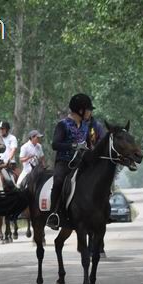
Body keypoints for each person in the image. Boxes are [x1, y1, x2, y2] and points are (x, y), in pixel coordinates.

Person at [46, 93, 105, 230]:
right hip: (64, 162)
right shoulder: (63, 125)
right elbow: (55, 144)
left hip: (82, 162)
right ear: (80, 110)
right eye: (88, 109)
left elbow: (91, 143)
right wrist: (73, 146)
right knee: (59, 181)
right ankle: (53, 214)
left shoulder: (87, 126)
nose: (90, 112)